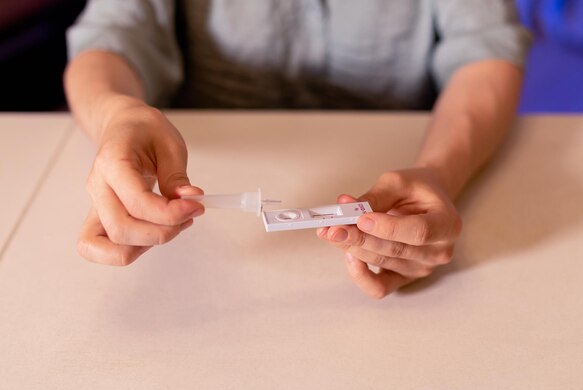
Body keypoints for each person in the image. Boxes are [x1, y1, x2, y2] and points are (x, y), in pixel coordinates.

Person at [64, 0, 531, 298]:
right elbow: (109, 37)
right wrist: (117, 115)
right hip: (208, 249)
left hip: (397, 161)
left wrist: (441, 171)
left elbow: (485, 52)